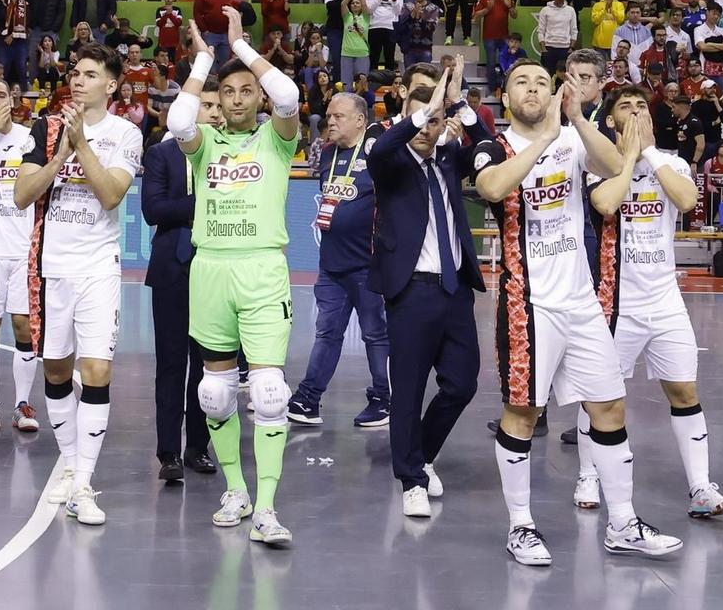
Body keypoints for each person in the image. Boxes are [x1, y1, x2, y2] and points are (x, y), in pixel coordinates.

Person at [471, 60, 682, 565]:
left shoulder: (574, 139)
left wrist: (578, 118)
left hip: (582, 301)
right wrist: (545, 139)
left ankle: (623, 522)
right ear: (505, 95)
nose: (532, 89)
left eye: (542, 82)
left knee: (610, 407)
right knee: (523, 413)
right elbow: (494, 189)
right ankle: (520, 525)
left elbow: (614, 168)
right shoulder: (491, 147)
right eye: (522, 81)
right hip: (529, 304)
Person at [167, 7, 304, 548]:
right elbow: (179, 122)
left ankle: (267, 508)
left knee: (269, 391)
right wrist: (204, 60)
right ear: (219, 101)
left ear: (258, 98)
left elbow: (290, 96)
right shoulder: (205, 146)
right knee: (214, 393)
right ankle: (236, 490)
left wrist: (242, 48)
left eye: (248, 90)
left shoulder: (277, 138)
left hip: (263, 268)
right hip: (211, 270)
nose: (240, 98)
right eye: (230, 93)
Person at [584, 85, 723, 518]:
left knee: (684, 389)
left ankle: (701, 488)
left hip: (665, 299)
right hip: (615, 301)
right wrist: (629, 157)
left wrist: (649, 153)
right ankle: (588, 473)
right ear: (610, 120)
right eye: (624, 109)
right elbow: (607, 206)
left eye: (640, 108)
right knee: (600, 395)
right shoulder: (596, 163)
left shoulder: (669, 162)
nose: (634, 114)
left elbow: (688, 200)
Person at [14, 44, 142, 525]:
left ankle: (84, 482)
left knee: (96, 370)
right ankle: (68, 464)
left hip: (97, 269)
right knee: (54, 371)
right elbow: (22, 194)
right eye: (75, 72)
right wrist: (59, 155)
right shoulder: (44, 129)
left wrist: (82, 146)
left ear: (111, 85)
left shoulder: (126, 133)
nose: (78, 80)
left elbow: (110, 195)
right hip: (50, 268)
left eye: (90, 74)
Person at [368, 57, 484, 517]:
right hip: (411, 291)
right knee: (409, 388)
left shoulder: (451, 159)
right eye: (419, 119)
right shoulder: (391, 161)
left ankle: (423, 454)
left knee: (462, 383)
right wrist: (423, 108)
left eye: (435, 121)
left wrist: (457, 104)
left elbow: (487, 142)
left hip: (455, 291)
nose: (425, 127)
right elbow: (381, 149)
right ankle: (410, 479)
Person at [290, 92, 391, 429]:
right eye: (328, 115)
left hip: (368, 264)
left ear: (361, 120)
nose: (330, 121)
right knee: (327, 333)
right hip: (331, 265)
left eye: (339, 116)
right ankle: (308, 398)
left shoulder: (377, 152)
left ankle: (384, 398)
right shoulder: (329, 153)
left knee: (376, 335)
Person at [142, 89, 216, 482]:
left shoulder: (229, 154)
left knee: (208, 365)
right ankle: (169, 451)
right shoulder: (162, 154)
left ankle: (198, 448)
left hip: (217, 269)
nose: (216, 114)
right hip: (172, 267)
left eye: (219, 107)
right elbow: (153, 209)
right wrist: (205, 201)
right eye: (208, 106)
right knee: (171, 363)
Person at [0, 78, 42, 436]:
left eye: (3, 94)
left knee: (22, 327)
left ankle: (22, 403)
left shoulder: (30, 138)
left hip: (24, 249)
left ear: (13, 97)